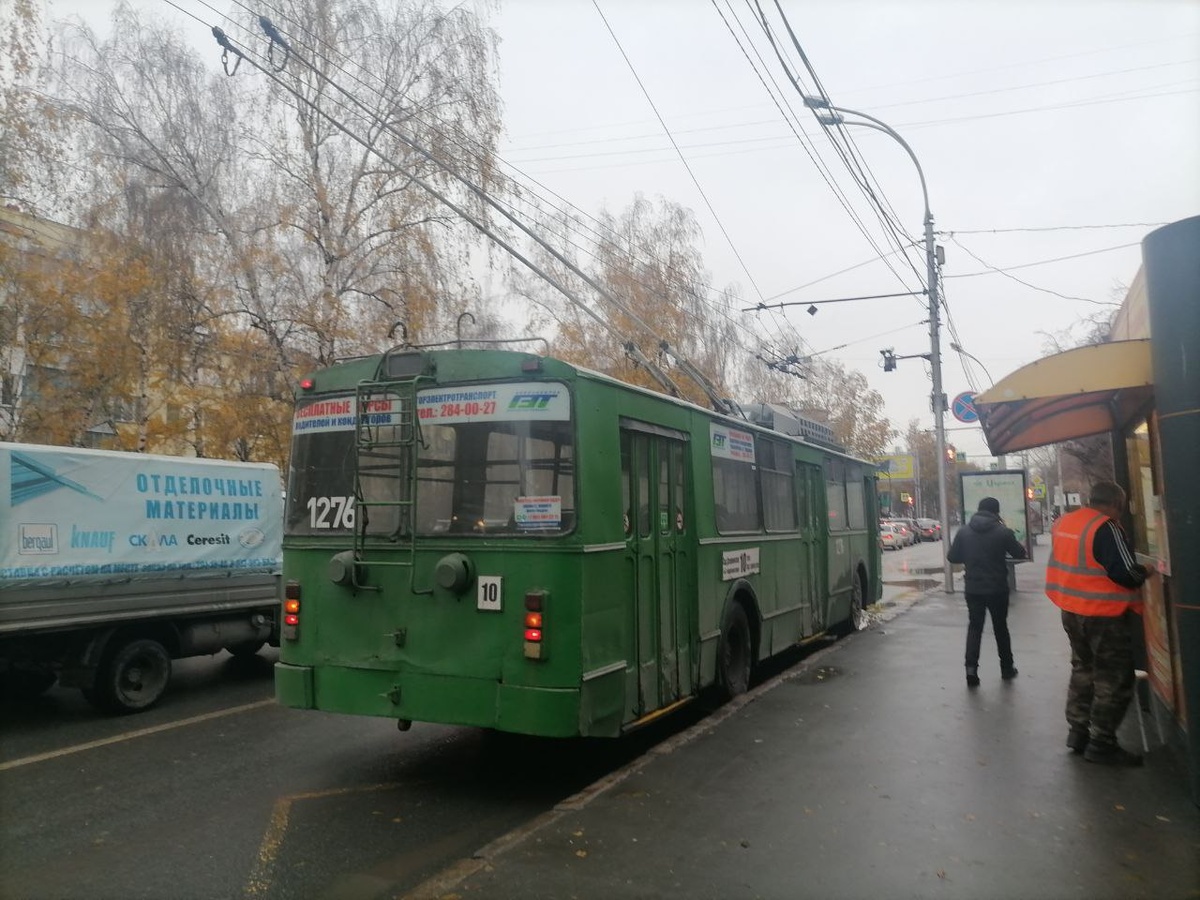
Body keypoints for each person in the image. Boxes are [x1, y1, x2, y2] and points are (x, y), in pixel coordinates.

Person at [1046, 481, 1156, 766]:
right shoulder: (1106, 527)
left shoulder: (1065, 522)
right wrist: (1147, 569)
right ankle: (1102, 742)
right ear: (1116, 504)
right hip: (1103, 615)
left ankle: (1078, 732)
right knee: (1114, 677)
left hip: (1071, 610)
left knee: (1083, 669)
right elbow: (1125, 574)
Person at [947, 497, 1028, 687]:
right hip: (997, 588)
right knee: (1001, 627)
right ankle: (1007, 668)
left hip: (973, 588)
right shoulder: (1002, 532)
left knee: (975, 627)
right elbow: (1019, 553)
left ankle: (971, 670)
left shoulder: (964, 532)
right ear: (996, 512)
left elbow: (953, 557)